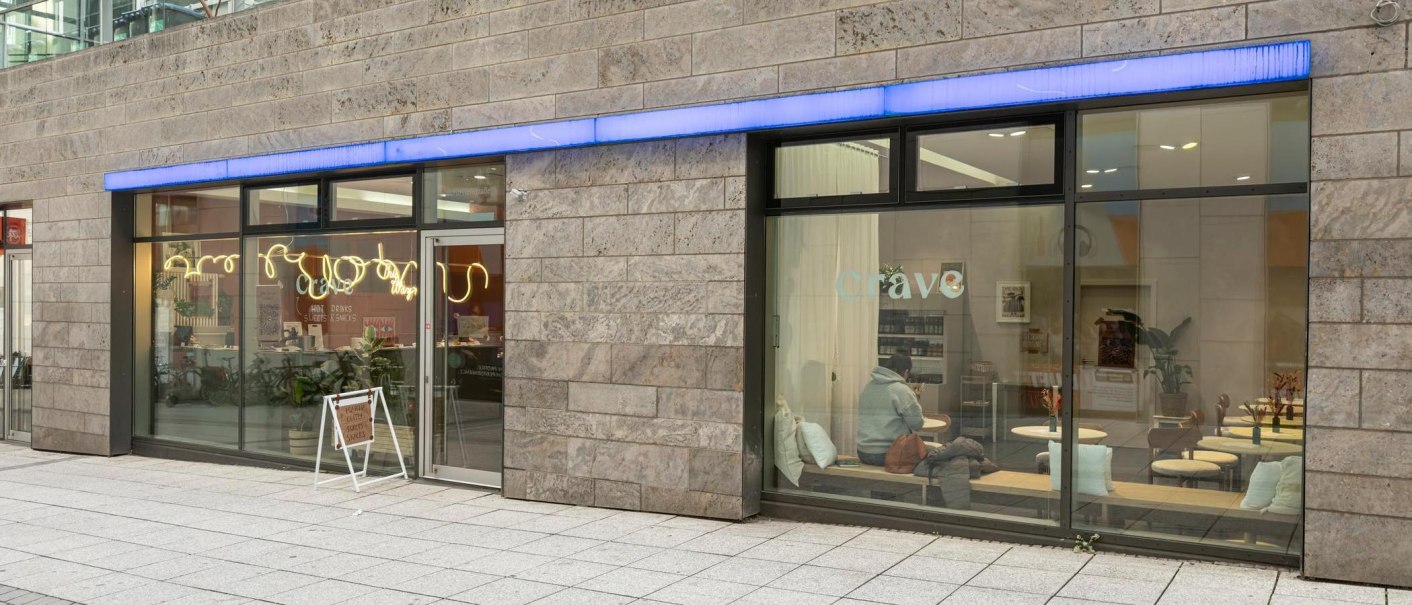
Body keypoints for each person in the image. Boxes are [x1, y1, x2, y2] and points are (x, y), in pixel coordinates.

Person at [856, 353, 925, 466]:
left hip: (863, 452)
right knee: (928, 454)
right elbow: (917, 424)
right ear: (906, 372)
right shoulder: (902, 390)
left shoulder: (868, 386)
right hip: (890, 453)